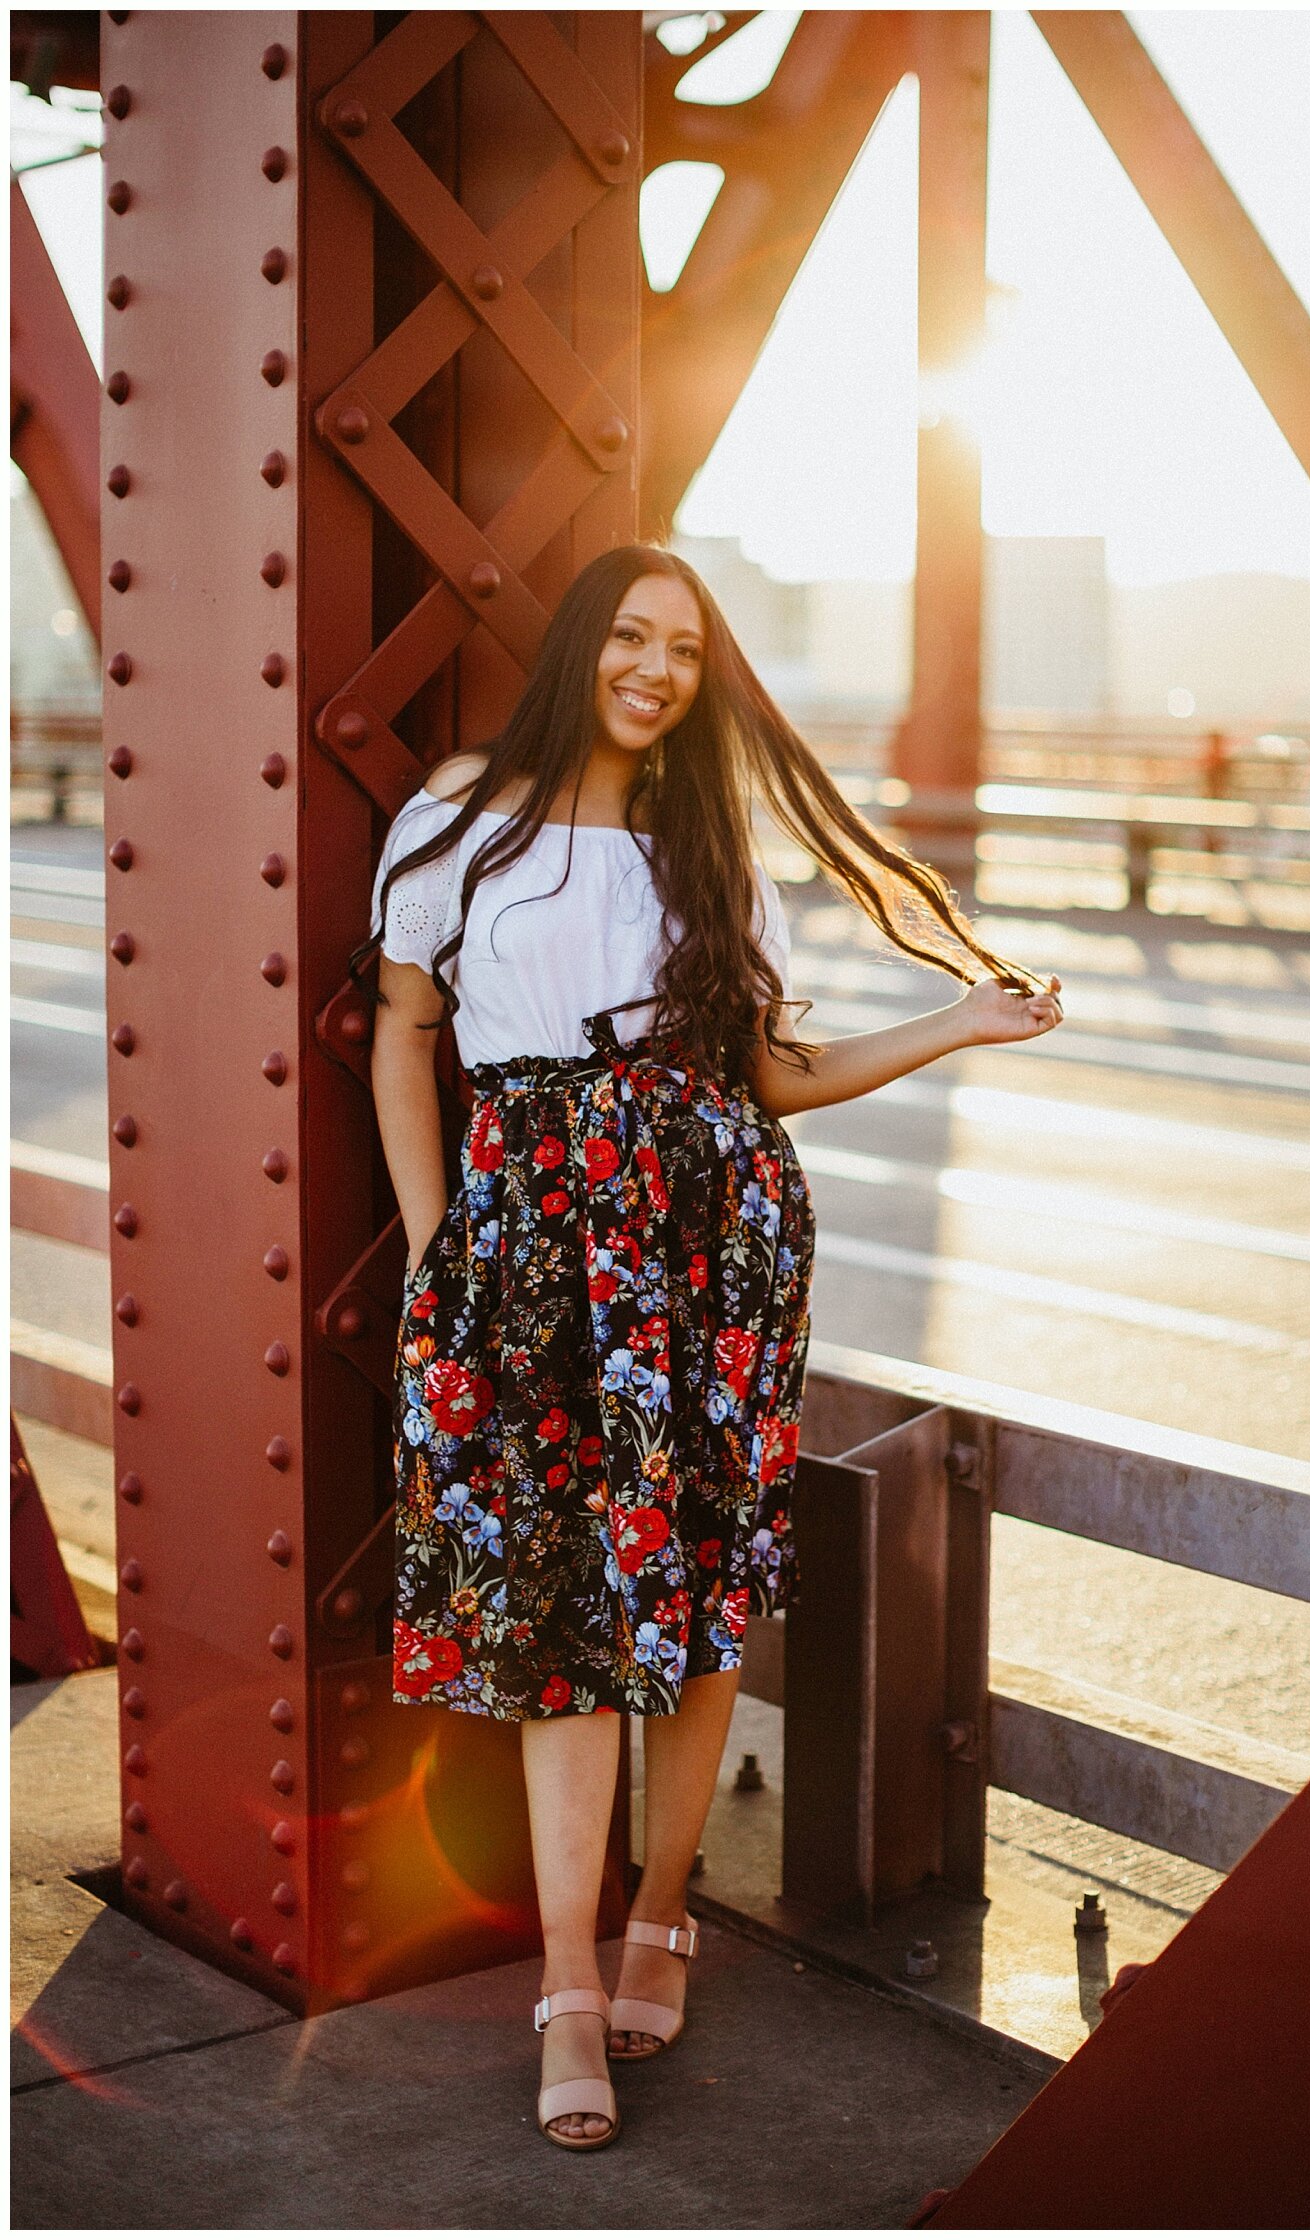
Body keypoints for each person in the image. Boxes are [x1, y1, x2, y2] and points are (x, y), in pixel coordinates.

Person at [352, 542, 1063, 2151]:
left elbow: (771, 1076)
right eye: (631, 634)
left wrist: (961, 1020)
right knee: (562, 1631)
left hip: (713, 1251)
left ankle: (661, 1912)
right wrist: (431, 1243)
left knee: (692, 1601)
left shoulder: (704, 845)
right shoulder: (461, 816)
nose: (657, 667)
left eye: (686, 648)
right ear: (579, 646)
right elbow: (405, 1029)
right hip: (531, 1259)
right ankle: (566, 1987)